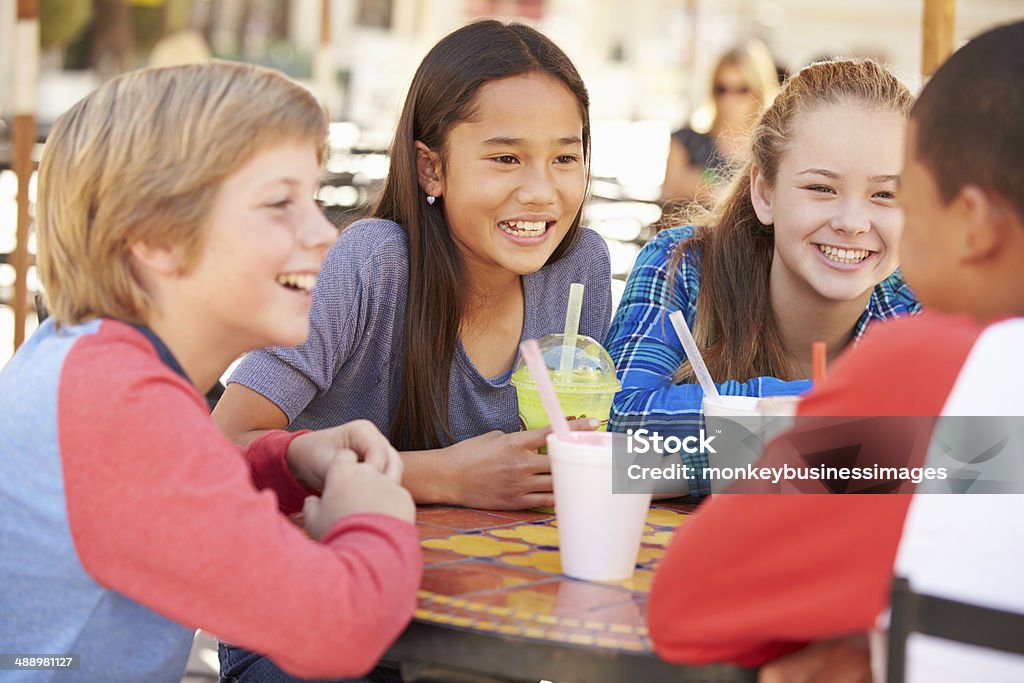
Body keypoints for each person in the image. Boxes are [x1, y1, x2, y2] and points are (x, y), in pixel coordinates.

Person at [0, 62, 421, 682]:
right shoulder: (120, 406)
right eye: (281, 203)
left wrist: (286, 461)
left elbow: (154, 498)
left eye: (313, 199)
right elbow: (342, 629)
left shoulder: (81, 359)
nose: (326, 233)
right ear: (155, 237)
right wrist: (376, 517)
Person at [648, 20, 1024, 682]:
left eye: (900, 190)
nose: (862, 219)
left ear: (973, 222)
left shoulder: (925, 368)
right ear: (766, 188)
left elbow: (685, 607)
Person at [213, 20, 612, 513]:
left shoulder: (577, 269)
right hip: (327, 564)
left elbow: (593, 462)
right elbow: (223, 444)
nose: (541, 191)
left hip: (501, 575)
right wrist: (442, 477)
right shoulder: (372, 264)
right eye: (507, 158)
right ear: (433, 169)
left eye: (565, 158)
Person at [608, 58, 920, 498]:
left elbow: (979, 455)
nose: (853, 222)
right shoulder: (682, 264)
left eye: (886, 194)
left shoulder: (923, 299)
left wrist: (723, 450)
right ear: (764, 191)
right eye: (821, 188)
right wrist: (834, 414)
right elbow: (620, 424)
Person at [660, 40, 780, 206]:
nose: (730, 99)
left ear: (759, 92)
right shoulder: (685, 142)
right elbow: (665, 202)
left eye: (742, 89)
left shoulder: (773, 150)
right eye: (722, 89)